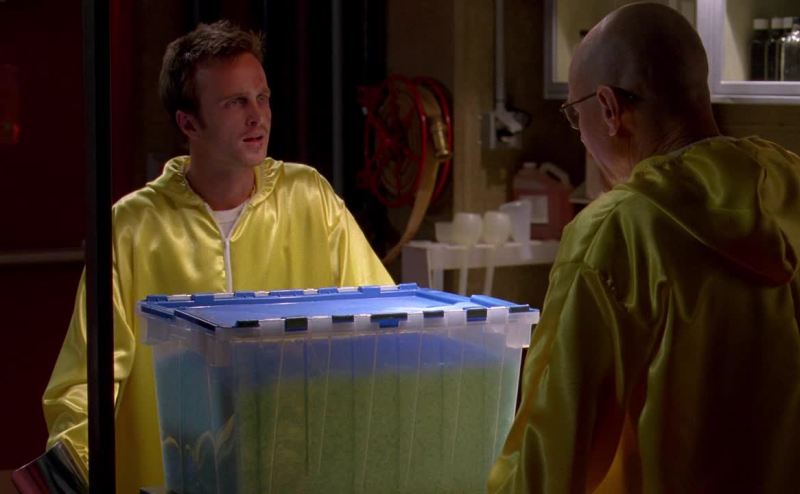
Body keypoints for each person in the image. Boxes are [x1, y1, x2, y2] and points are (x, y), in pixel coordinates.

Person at [42, 20, 393, 492]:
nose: (257, 117)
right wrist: (72, 475)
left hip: (294, 476)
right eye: (235, 102)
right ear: (188, 123)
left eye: (262, 97)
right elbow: (88, 378)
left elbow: (386, 320)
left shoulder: (311, 199)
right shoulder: (132, 226)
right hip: (170, 478)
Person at [489, 3, 800, 492]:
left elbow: (555, 454)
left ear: (610, 109)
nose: (582, 134)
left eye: (575, 115)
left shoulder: (618, 232)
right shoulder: (790, 188)